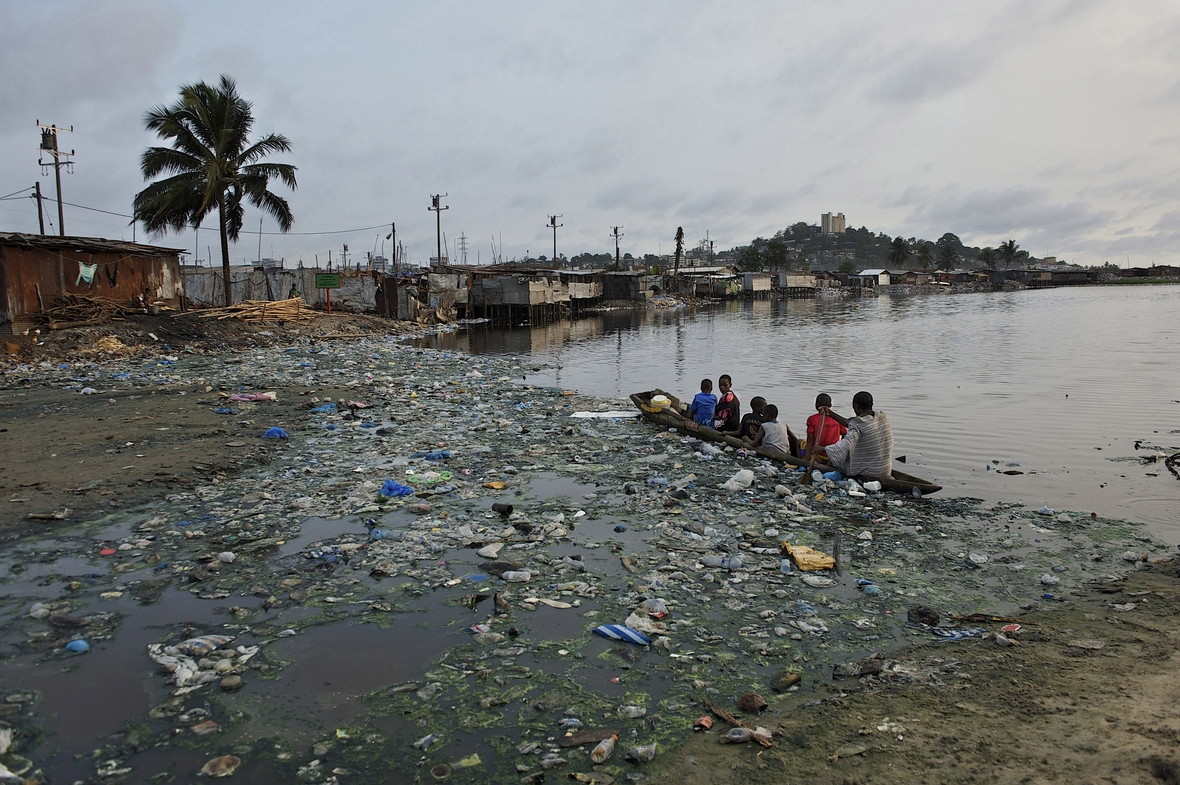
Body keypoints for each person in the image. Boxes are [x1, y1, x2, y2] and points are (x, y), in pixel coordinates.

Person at [820, 391, 894, 478]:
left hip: (868, 472)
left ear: (856, 406)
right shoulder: (882, 418)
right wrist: (831, 414)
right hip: (885, 471)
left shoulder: (857, 426)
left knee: (836, 457)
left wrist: (822, 448)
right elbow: (852, 424)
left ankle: (823, 472)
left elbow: (842, 448)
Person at [805, 393, 847, 458]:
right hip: (833, 455)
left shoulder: (812, 419)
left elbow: (810, 438)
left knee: (799, 443)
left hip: (816, 455)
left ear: (816, 405)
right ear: (830, 405)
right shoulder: (837, 419)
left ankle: (805, 459)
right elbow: (845, 433)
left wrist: (808, 456)